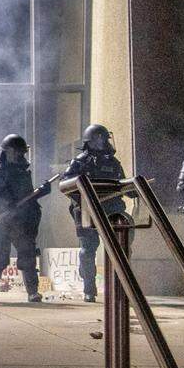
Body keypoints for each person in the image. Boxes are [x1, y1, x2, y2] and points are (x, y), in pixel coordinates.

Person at [62, 124, 128, 303]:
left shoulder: (113, 163)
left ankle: (118, 290)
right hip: (87, 210)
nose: (102, 142)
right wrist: (83, 194)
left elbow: (121, 183)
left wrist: (132, 189)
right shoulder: (79, 162)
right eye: (98, 139)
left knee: (118, 248)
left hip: (112, 210)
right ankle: (89, 290)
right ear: (89, 141)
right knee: (88, 250)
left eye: (103, 139)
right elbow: (65, 185)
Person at [0, 134, 48, 303]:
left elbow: (27, 197)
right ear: (8, 151)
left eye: (22, 152)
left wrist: (41, 192)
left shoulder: (23, 173)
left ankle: (33, 292)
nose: (21, 155)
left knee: (28, 256)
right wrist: (3, 202)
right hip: (3, 221)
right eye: (18, 152)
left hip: (23, 222)